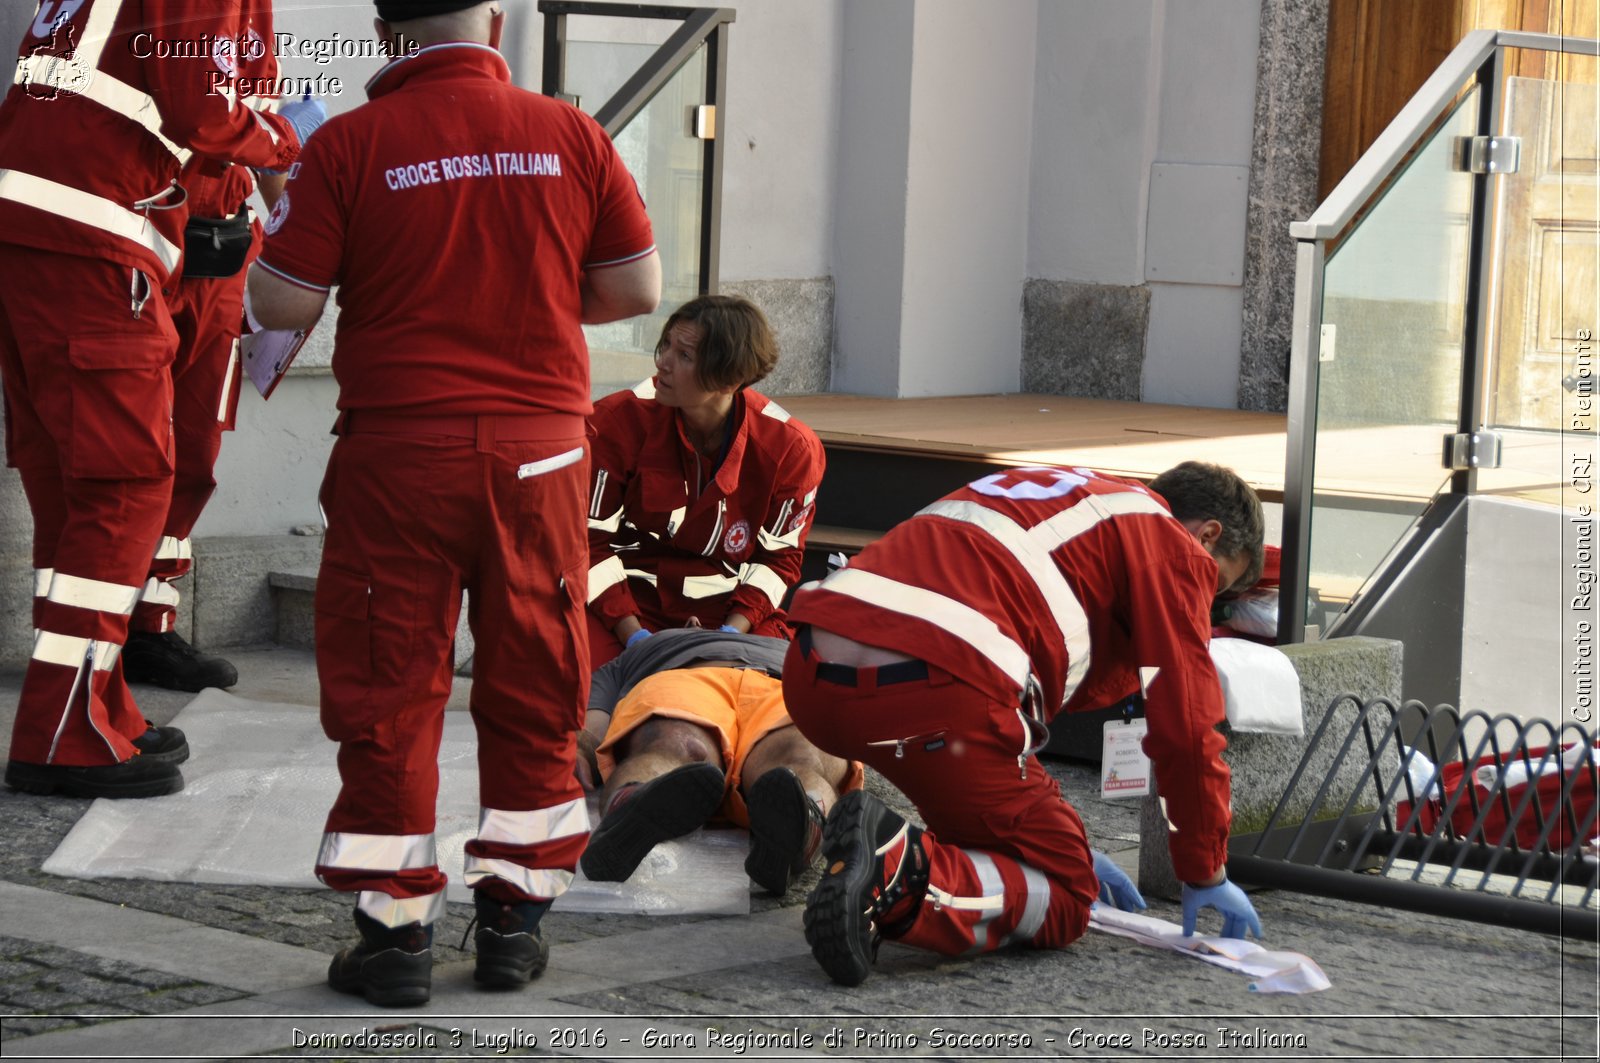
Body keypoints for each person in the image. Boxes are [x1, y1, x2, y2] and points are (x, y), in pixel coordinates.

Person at [247, 0, 659, 1008]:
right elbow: (634, 288)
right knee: (535, 672)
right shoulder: (571, 132)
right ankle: (515, 916)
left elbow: (281, 305)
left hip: (401, 454)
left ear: (386, 33)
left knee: (390, 683)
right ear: (500, 21)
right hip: (540, 452)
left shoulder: (349, 143)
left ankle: (393, 934)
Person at [781, 461, 1267, 985]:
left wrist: (1061, 840)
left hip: (812, 671)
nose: (1204, 600)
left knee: (1021, 834)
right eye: (1216, 583)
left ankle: (908, 860)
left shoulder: (1069, 494)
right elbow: (1187, 727)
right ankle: (899, 874)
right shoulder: (1171, 544)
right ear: (1207, 534)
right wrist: (1203, 869)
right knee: (1066, 895)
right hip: (933, 691)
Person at [0, 0, 316, 799]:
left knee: (75, 491)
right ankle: (65, 730)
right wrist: (295, 143)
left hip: (46, 230)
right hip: (96, 238)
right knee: (125, 484)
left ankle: (96, 699)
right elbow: (204, 107)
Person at [121, 0, 303, 694]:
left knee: (194, 449)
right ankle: (103, 623)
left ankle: (153, 626)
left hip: (222, 251)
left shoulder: (255, 11)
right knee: (128, 444)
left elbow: (260, 132)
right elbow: (202, 113)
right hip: (144, 234)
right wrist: (281, 143)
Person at [585, 294, 825, 667]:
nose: (662, 362)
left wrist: (730, 634)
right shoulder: (617, 421)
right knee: (583, 692)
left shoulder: (791, 449)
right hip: (622, 609)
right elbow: (587, 543)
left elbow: (779, 560)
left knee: (765, 697)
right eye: (665, 345)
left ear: (730, 378)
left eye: (684, 356)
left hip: (734, 615)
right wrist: (633, 635)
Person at [575, 628, 861, 895]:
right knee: (675, 743)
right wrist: (579, 748)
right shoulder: (645, 648)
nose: (695, 619)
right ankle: (628, 812)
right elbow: (592, 716)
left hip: (783, 684)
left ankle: (802, 823)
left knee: (800, 757)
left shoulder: (793, 645)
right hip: (684, 677)